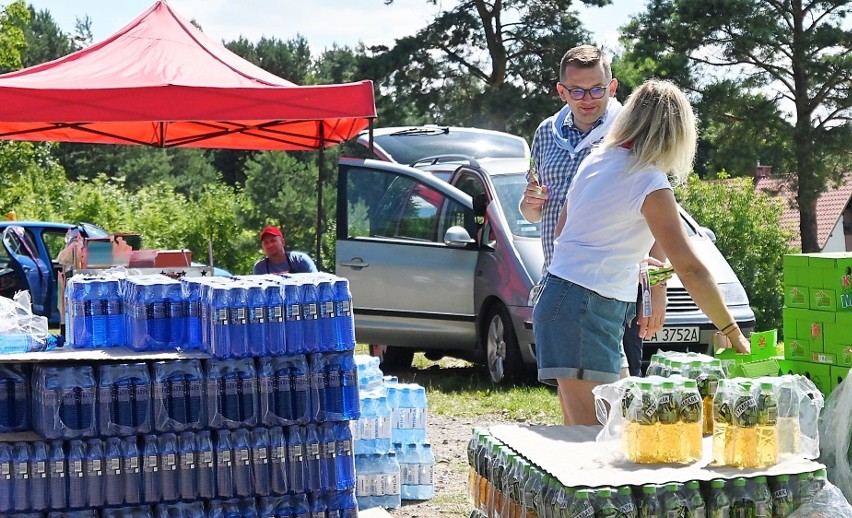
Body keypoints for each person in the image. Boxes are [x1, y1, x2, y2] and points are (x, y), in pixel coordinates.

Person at [533, 79, 751, 426]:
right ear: (677, 133)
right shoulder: (649, 181)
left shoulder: (598, 160)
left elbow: (565, 234)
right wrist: (731, 329)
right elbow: (691, 268)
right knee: (592, 441)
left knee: (618, 430)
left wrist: (646, 274)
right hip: (582, 308)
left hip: (574, 302)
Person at [520, 45, 666, 382]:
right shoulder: (545, 134)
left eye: (597, 89)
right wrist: (530, 203)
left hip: (615, 289)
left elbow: (662, 219)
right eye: (577, 91)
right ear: (562, 92)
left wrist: (658, 290)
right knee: (576, 399)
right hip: (561, 282)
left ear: (613, 87)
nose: (588, 99)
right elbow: (532, 214)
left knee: (623, 397)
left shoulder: (632, 136)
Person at [252, 225, 318, 275]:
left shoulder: (300, 260)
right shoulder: (260, 268)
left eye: (273, 241)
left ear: (283, 242)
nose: (270, 245)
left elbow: (316, 282)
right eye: (266, 243)